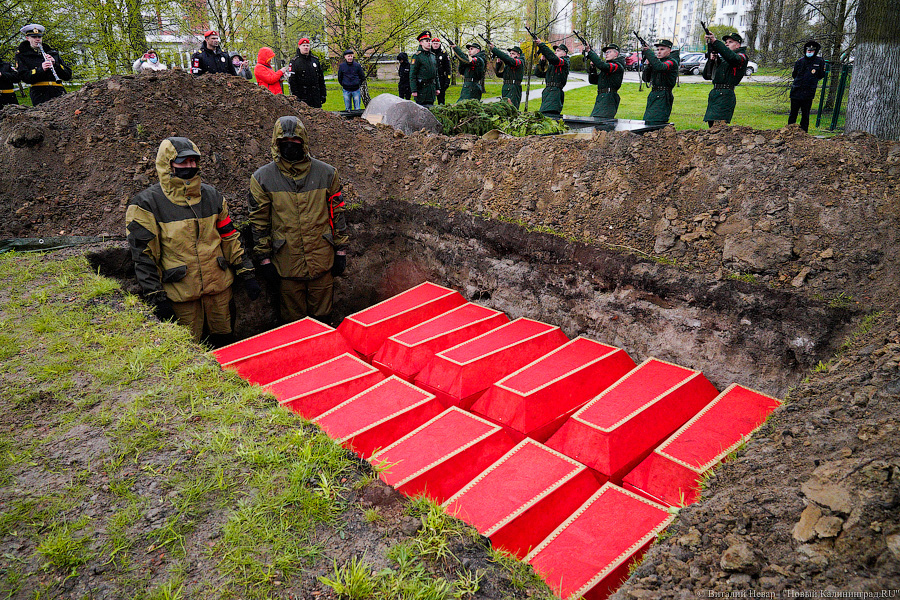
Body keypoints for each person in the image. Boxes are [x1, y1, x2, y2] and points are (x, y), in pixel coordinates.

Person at [125, 137, 260, 346]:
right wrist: (156, 296)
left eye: (193, 161)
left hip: (219, 291)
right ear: (167, 164)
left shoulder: (212, 196)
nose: (190, 166)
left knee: (225, 345)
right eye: (183, 162)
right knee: (189, 352)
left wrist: (247, 272)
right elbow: (144, 256)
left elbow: (229, 236)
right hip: (181, 296)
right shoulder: (146, 205)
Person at [249, 116, 349, 323]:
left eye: (295, 140)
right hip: (286, 264)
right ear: (276, 144)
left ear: (304, 141)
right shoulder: (262, 179)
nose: (290, 145)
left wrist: (341, 251)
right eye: (284, 141)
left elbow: (337, 213)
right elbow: (259, 222)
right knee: (293, 323)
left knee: (323, 318)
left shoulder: (327, 173)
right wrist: (265, 260)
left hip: (321, 261)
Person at [15, 24, 72, 106]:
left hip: (58, 91)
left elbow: (68, 75)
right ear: (28, 38)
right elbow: (24, 77)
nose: (37, 39)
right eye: (34, 37)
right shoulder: (22, 55)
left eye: (39, 37)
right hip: (39, 93)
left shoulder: (52, 53)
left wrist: (55, 64)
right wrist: (41, 69)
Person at [701, 32, 748, 127]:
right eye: (726, 42)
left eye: (730, 42)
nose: (727, 44)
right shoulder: (723, 59)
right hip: (715, 94)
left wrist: (715, 42)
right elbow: (707, 75)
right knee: (711, 124)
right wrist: (711, 60)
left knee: (719, 125)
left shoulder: (741, 57)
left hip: (726, 94)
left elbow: (732, 57)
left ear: (738, 45)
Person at [788, 40, 826, 132]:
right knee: (793, 113)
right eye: (808, 51)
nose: (809, 52)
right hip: (797, 90)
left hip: (808, 92)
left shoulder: (819, 61)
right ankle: (789, 131)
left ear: (815, 51)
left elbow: (821, 74)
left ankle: (804, 132)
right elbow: (794, 74)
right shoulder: (800, 61)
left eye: (811, 51)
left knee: (805, 114)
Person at [641, 39, 679, 126]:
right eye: (657, 50)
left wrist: (649, 54)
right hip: (654, 94)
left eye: (662, 49)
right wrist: (649, 65)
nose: (659, 52)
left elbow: (661, 67)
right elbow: (646, 78)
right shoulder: (657, 63)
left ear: (669, 50)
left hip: (664, 95)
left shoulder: (672, 62)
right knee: (648, 120)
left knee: (657, 121)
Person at [585, 43, 625, 118]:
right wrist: (593, 68)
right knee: (595, 120)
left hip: (609, 98)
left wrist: (590, 52)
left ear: (616, 54)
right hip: (602, 98)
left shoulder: (617, 66)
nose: (606, 54)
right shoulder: (608, 68)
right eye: (605, 53)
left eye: (608, 52)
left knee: (601, 121)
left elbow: (602, 65)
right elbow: (593, 80)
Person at [533, 39, 569, 119]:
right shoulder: (552, 65)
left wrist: (541, 45)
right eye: (555, 51)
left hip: (556, 93)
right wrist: (542, 61)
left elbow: (554, 59)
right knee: (544, 115)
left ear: (564, 53)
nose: (555, 52)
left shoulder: (565, 61)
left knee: (550, 115)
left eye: (558, 51)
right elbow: (538, 73)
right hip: (547, 92)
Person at [289, 37, 326, 108]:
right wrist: (295, 96)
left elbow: (321, 78)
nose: (306, 47)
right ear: (299, 47)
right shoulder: (295, 62)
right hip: (302, 95)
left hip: (315, 95)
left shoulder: (315, 60)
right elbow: (292, 81)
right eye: (303, 45)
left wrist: (323, 94)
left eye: (307, 45)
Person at [488, 43, 525, 109]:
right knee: (504, 107)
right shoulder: (508, 65)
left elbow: (509, 60)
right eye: (510, 53)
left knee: (512, 108)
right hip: (506, 87)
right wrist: (499, 64)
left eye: (513, 54)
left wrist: (495, 50)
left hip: (514, 88)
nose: (511, 55)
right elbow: (499, 74)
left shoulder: (520, 61)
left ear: (518, 55)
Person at [410, 31, 437, 106]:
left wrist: (438, 87)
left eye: (429, 41)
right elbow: (412, 74)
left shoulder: (432, 56)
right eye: (426, 41)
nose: (429, 43)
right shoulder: (417, 56)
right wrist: (414, 90)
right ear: (421, 43)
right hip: (421, 89)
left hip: (431, 89)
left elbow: (435, 73)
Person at [432, 38, 451, 105]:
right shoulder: (429, 53)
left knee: (441, 99)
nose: (435, 45)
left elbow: (448, 68)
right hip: (431, 79)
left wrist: (447, 80)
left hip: (441, 79)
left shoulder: (443, 54)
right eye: (434, 44)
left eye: (437, 44)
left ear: (439, 44)